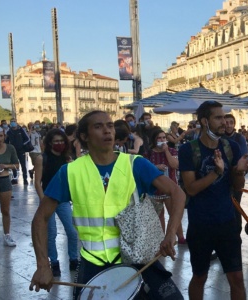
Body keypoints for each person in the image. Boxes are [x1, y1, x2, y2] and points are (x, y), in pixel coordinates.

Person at [29, 111, 185, 299]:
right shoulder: (70, 172)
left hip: (137, 258)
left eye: (110, 126)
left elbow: (177, 193)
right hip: (93, 263)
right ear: (84, 137)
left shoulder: (135, 164)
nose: (107, 131)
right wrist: (42, 265)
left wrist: (170, 233)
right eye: (98, 126)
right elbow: (40, 218)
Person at [179, 101, 248, 300]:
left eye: (225, 117)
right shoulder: (188, 150)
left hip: (227, 221)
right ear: (205, 121)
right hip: (200, 224)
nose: (224, 122)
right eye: (218, 118)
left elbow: (237, 186)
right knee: (199, 276)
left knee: (237, 277)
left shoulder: (232, 147)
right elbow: (191, 189)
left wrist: (239, 170)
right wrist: (216, 172)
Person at [34, 129, 79, 277]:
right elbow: (38, 182)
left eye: (61, 141)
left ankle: (73, 259)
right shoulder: (42, 158)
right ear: (49, 143)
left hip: (63, 200)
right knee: (51, 233)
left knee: (72, 231)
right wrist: (42, 200)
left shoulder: (67, 158)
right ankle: (54, 262)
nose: (59, 144)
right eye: (56, 141)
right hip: (48, 199)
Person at [146, 129, 186, 244]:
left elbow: (175, 165)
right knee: (159, 216)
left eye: (164, 137)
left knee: (174, 213)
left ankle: (180, 237)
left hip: (170, 188)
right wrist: (156, 167)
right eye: (159, 138)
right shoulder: (148, 153)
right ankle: (161, 238)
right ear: (154, 139)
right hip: (154, 189)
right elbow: (145, 169)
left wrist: (166, 151)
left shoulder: (172, 151)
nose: (162, 140)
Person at [6, 119, 30, 185]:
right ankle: (15, 178)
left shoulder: (21, 130)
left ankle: (25, 179)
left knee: (23, 165)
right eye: (12, 121)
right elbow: (6, 141)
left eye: (14, 121)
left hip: (21, 150)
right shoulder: (9, 132)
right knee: (14, 165)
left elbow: (27, 139)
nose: (13, 123)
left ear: (16, 122)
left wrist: (22, 144)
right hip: (13, 151)